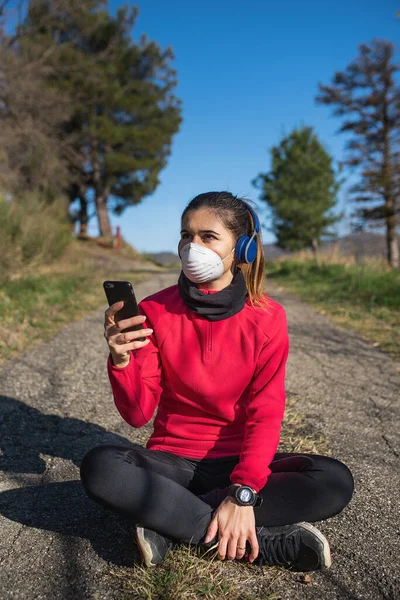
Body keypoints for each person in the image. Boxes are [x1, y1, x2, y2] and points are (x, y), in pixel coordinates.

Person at [80, 191, 354, 572]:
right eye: (186, 235)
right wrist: (121, 360)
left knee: (333, 480)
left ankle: (171, 522)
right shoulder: (154, 310)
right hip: (172, 463)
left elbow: (266, 412)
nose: (193, 247)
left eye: (208, 237)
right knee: (101, 466)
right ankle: (265, 545)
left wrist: (242, 494)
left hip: (238, 463)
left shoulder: (268, 318)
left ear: (241, 248)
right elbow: (138, 414)